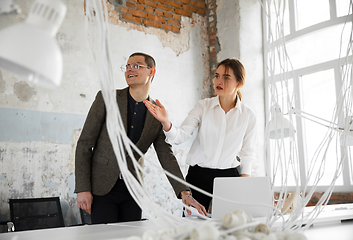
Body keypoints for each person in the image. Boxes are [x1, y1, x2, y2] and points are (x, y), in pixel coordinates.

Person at [74, 52, 207, 224]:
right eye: (127, 66)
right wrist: (83, 188)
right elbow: (85, 144)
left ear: (151, 71)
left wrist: (184, 193)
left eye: (136, 65)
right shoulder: (107, 99)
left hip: (133, 191)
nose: (129, 69)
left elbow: (166, 155)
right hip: (101, 187)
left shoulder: (157, 113)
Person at [144, 58, 257, 211]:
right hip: (198, 177)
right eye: (217, 76)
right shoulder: (203, 106)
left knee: (229, 227)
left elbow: (247, 154)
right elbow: (180, 136)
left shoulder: (248, 116)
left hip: (229, 178)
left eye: (226, 77)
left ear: (239, 83)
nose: (219, 81)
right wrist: (166, 122)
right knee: (194, 229)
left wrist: (243, 187)